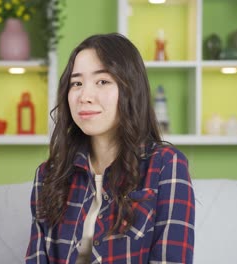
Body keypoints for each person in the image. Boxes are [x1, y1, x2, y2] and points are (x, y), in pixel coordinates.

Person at [25, 33, 195, 263]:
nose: (84, 96)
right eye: (76, 83)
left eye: (102, 81)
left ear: (130, 89)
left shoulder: (166, 166)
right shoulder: (48, 175)